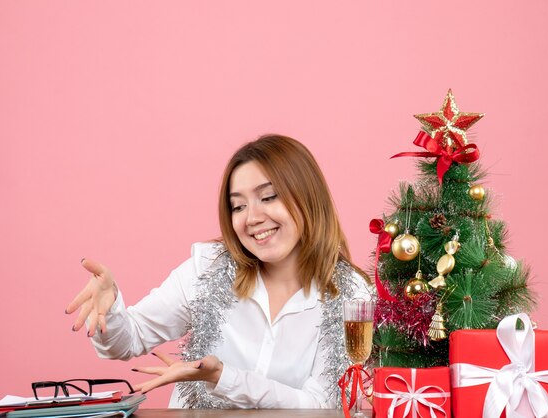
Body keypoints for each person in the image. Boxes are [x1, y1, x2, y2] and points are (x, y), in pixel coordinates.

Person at [65, 134, 373, 409]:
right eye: (238, 206)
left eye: (268, 197)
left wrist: (223, 378)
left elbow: (321, 405)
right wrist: (111, 309)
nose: (252, 218)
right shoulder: (208, 267)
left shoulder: (351, 292)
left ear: (308, 197)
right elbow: (128, 340)